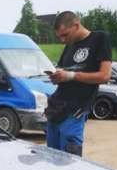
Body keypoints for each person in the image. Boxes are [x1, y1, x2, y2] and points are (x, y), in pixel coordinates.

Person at [45, 11, 112, 156]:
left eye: (65, 35)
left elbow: (105, 76)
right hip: (56, 110)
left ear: (76, 25)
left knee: (69, 163)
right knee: (51, 160)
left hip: (74, 113)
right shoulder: (69, 45)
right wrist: (57, 76)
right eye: (59, 37)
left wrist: (71, 76)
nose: (62, 40)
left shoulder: (99, 38)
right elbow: (63, 71)